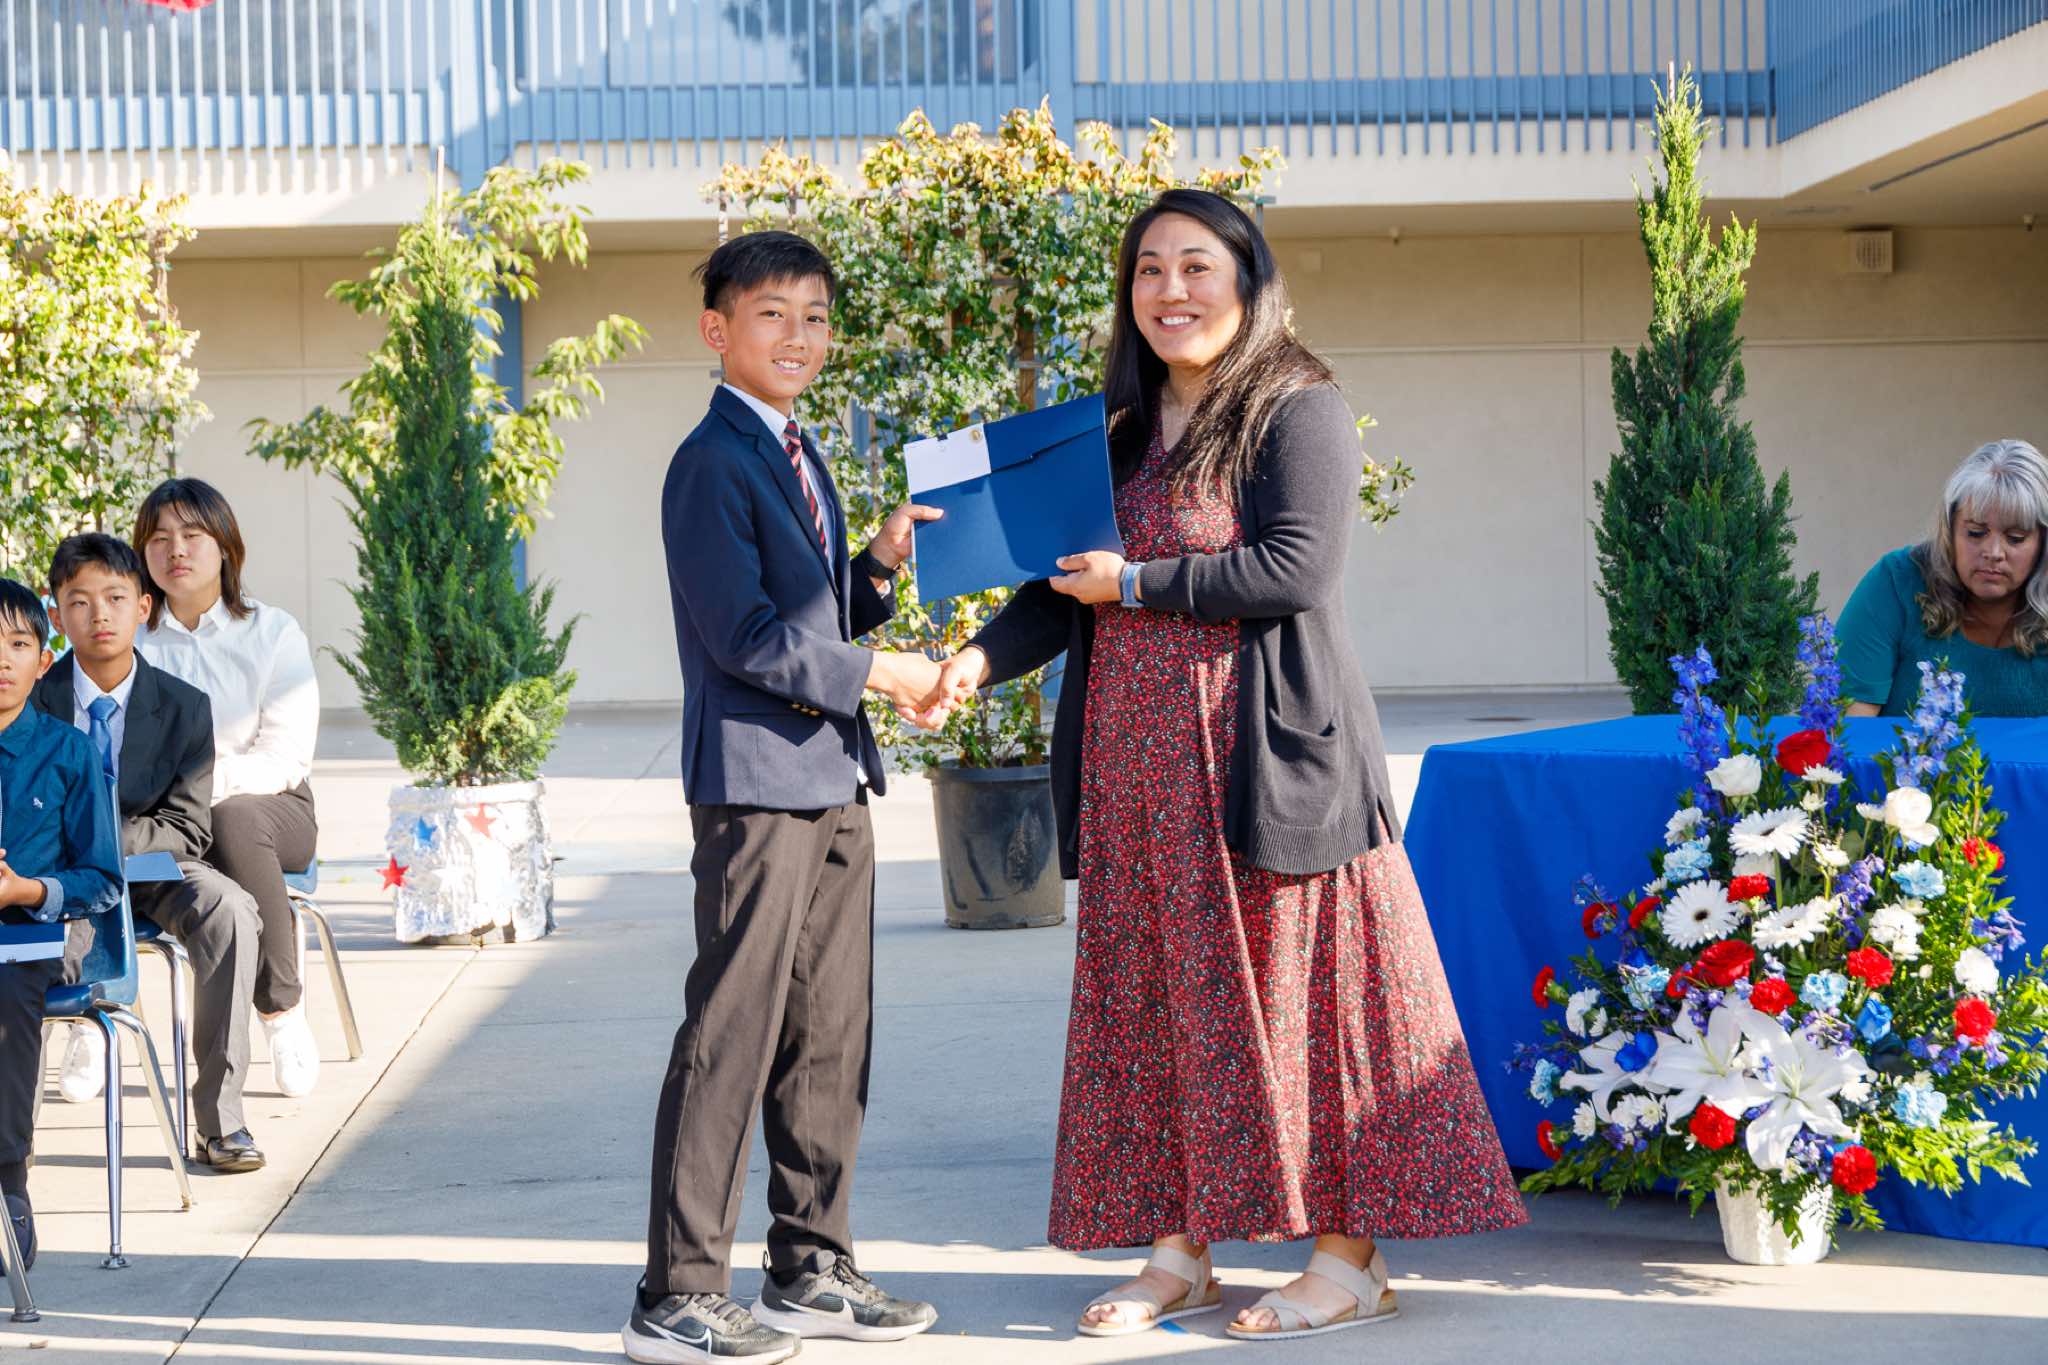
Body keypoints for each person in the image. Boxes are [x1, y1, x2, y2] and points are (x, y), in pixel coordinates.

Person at [920, 189, 1527, 1342]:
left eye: (1195, 266)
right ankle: (1177, 1254)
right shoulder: (1113, 432)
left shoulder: (1295, 406)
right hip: (1135, 778)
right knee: (1154, 1011)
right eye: (1148, 269)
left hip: (1269, 762)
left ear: (1246, 280)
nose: (1171, 291)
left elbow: (1296, 567)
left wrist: (1137, 583)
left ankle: (1347, 1262)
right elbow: (1057, 590)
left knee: (1310, 1008)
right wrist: (972, 662)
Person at [627, 230, 945, 1365]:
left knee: (828, 1036)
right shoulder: (709, 461)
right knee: (732, 1033)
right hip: (757, 788)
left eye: (815, 316)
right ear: (716, 331)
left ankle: (809, 1266)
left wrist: (876, 568)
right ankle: (676, 1293)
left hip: (830, 777)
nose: (799, 335)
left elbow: (812, 618)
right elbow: (747, 639)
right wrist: (886, 674)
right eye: (773, 314)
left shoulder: (797, 453)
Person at [33, 534, 268, 1172]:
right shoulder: (32, 701)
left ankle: (222, 1122)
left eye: (115, 598)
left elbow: (187, 827)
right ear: (56, 615)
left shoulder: (185, 707)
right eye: (79, 601)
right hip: (59, 879)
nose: (99, 615)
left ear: (143, 606)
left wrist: (99, 840)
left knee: (228, 909)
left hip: (155, 868)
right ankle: (14, 1134)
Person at [133, 478, 325, 1100]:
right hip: (160, 815)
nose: (175, 549)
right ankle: (97, 1009)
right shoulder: (129, 638)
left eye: (192, 534)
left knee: (234, 820)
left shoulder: (272, 632)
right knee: (100, 831)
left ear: (224, 545)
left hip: (269, 809)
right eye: (158, 538)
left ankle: (281, 1012)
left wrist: (197, 790)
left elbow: (284, 757)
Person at [0, 577, 123, 1271]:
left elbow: (102, 878)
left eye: (19, 645)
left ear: (44, 662)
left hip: (42, 933)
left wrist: (27, 888)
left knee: (5, 992)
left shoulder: (69, 752)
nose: (3, 660)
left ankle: (7, 1179)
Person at [1839, 438, 2048, 717]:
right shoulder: (1896, 581)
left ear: (2043, 544)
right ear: (1950, 530)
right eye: (1976, 533)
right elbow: (1849, 727)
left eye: (2015, 538)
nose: (1993, 553)